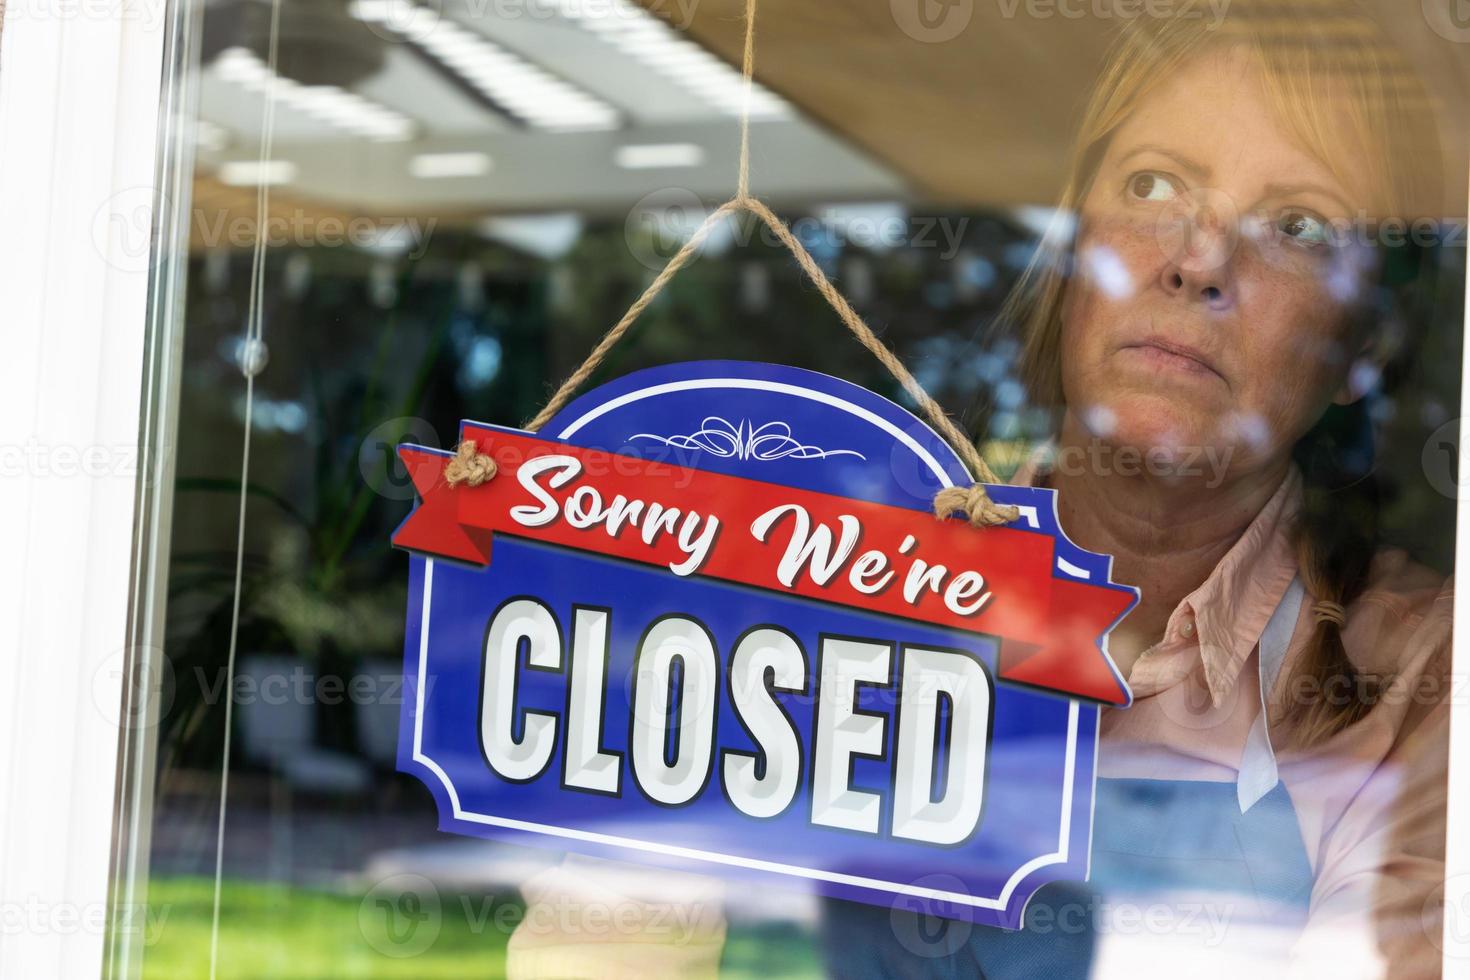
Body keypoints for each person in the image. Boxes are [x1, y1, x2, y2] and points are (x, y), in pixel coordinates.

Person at [510, 3, 1456, 976]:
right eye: (1153, 183)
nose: (1199, 258)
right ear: (1070, 249)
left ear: (1367, 341)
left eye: (1296, 222)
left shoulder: (1428, 673)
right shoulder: (839, 592)